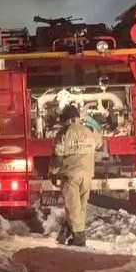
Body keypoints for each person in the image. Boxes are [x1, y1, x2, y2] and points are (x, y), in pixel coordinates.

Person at [51, 104, 103, 247]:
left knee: (72, 207)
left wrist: (54, 173)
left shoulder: (63, 134)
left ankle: (79, 239)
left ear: (66, 119)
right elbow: (100, 145)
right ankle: (69, 232)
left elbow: (57, 158)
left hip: (70, 176)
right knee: (80, 207)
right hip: (87, 175)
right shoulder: (90, 131)